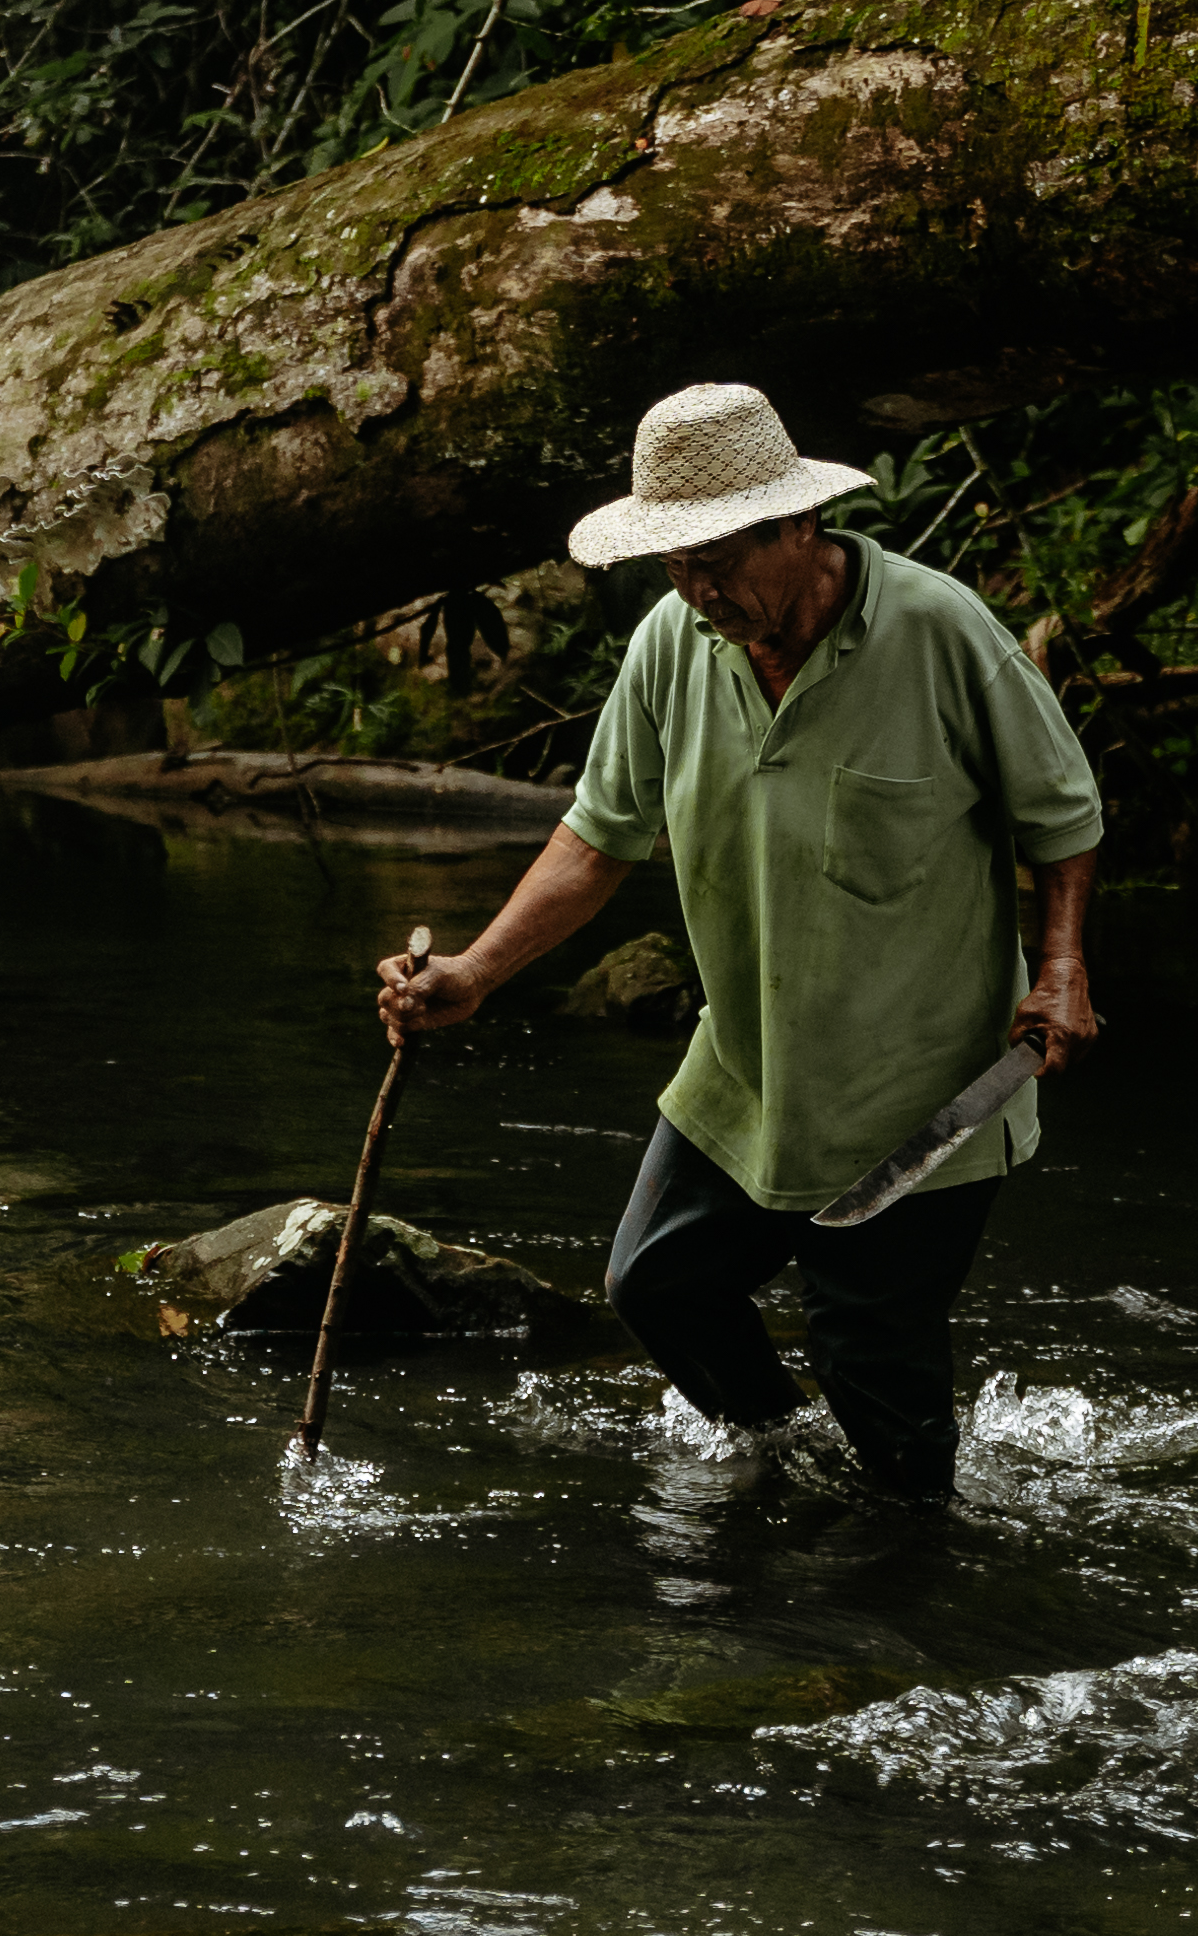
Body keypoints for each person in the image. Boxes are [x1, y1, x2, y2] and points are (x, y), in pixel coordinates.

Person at [373, 382, 1104, 1500]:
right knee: (656, 1284)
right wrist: (476, 970)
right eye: (675, 564)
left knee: (880, 1381)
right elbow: (597, 836)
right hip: (746, 1069)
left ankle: (908, 1594)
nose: (699, 587)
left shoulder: (939, 629)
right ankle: (796, 1475)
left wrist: (1060, 969)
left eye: (718, 557)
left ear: (799, 525)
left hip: (919, 1091)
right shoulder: (676, 642)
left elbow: (1063, 816)